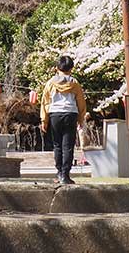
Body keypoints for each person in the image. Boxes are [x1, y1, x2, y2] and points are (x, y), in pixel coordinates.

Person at [41, 55, 87, 185]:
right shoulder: (74, 83)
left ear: (57, 68)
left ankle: (59, 173)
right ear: (71, 68)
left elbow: (45, 102)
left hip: (54, 114)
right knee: (68, 146)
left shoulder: (50, 83)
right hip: (71, 114)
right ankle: (66, 175)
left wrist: (44, 120)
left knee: (57, 145)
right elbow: (81, 102)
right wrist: (81, 118)